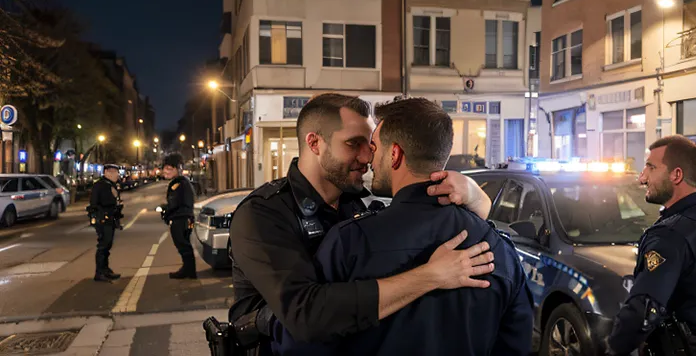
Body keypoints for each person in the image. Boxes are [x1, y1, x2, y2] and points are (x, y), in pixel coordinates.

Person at [228, 94, 496, 352]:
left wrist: (476, 196)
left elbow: (438, 229)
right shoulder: (264, 214)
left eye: (370, 144)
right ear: (314, 143)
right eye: (353, 143)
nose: (368, 157)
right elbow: (305, 316)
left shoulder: (362, 202)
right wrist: (431, 276)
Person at [606, 135, 696, 355]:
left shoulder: (670, 236)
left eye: (650, 167)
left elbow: (644, 310)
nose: (642, 178)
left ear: (676, 175)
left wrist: (615, 348)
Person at [161, 153, 197, 280]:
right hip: (183, 218)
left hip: (180, 219)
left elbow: (175, 203)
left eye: (170, 169)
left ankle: (189, 270)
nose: (166, 171)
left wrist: (165, 212)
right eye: (165, 168)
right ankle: (187, 269)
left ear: (177, 169)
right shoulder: (181, 182)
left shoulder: (179, 183)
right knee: (183, 244)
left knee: (183, 245)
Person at [88, 163, 123, 283]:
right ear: (106, 173)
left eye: (117, 172)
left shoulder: (111, 185)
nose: (116, 175)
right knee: (103, 245)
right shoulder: (100, 185)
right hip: (103, 219)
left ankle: (105, 269)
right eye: (113, 172)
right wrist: (99, 216)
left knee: (107, 246)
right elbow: (95, 203)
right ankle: (99, 272)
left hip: (110, 218)